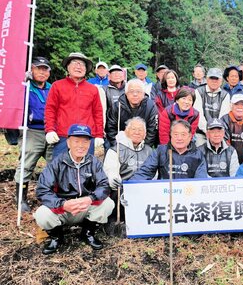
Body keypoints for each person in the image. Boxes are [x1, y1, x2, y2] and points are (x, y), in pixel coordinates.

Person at [34, 124, 114, 255]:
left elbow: (104, 185)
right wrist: (63, 204)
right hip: (63, 209)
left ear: (90, 144)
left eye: (85, 141)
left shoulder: (94, 162)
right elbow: (42, 190)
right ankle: (57, 237)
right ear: (68, 142)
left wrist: (90, 198)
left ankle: (88, 232)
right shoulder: (56, 163)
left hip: (85, 207)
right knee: (42, 214)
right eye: (76, 141)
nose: (81, 146)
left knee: (108, 203)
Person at [44, 52, 104, 158]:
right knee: (60, 168)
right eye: (75, 63)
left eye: (82, 64)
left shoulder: (93, 89)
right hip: (63, 135)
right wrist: (50, 130)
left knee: (84, 169)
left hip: (86, 136)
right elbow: (50, 109)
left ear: (86, 69)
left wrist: (99, 135)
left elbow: (98, 112)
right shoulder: (57, 86)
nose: (78, 66)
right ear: (68, 67)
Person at [14, 57, 53, 212]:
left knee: (54, 165)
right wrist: (21, 80)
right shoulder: (25, 86)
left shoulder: (52, 87)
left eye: (45, 69)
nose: (42, 72)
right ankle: (21, 197)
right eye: (38, 68)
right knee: (27, 164)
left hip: (50, 131)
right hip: (31, 130)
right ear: (32, 69)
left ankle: (49, 195)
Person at [103, 117, 153, 223]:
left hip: (144, 190)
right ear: (126, 131)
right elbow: (110, 170)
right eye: (134, 129)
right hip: (122, 189)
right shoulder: (115, 150)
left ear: (145, 134)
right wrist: (114, 180)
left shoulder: (149, 151)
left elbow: (154, 173)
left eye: (140, 130)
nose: (137, 132)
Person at [131, 120, 208, 180]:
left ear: (190, 136)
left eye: (183, 135)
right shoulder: (160, 151)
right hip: (164, 195)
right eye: (175, 134)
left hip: (188, 195)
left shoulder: (198, 155)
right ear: (170, 135)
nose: (179, 138)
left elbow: (200, 181)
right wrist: (129, 187)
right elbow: (144, 173)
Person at [106, 79, 158, 147]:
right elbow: (111, 129)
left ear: (143, 93)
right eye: (131, 91)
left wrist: (143, 148)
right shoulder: (117, 106)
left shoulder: (151, 106)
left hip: (143, 144)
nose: (135, 94)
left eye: (138, 91)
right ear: (126, 93)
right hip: (121, 143)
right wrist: (119, 147)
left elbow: (152, 130)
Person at [193, 67, 231, 147]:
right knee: (200, 149)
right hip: (201, 133)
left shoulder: (225, 95)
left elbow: (223, 117)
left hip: (219, 133)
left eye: (216, 78)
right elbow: (198, 114)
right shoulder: (198, 92)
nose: (214, 81)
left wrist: (215, 133)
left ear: (221, 81)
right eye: (211, 78)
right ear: (207, 79)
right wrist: (207, 131)